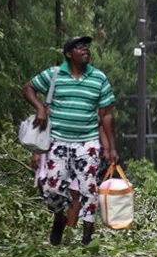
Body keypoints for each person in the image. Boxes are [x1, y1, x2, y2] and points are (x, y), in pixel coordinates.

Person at [23, 36, 118, 246]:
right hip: (57, 141)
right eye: (79, 47)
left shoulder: (99, 78)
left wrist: (111, 147)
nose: (85, 49)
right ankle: (59, 217)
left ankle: (87, 236)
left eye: (87, 46)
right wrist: (40, 108)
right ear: (68, 54)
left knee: (88, 189)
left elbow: (106, 114)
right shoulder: (54, 74)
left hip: (87, 142)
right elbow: (28, 88)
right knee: (52, 188)